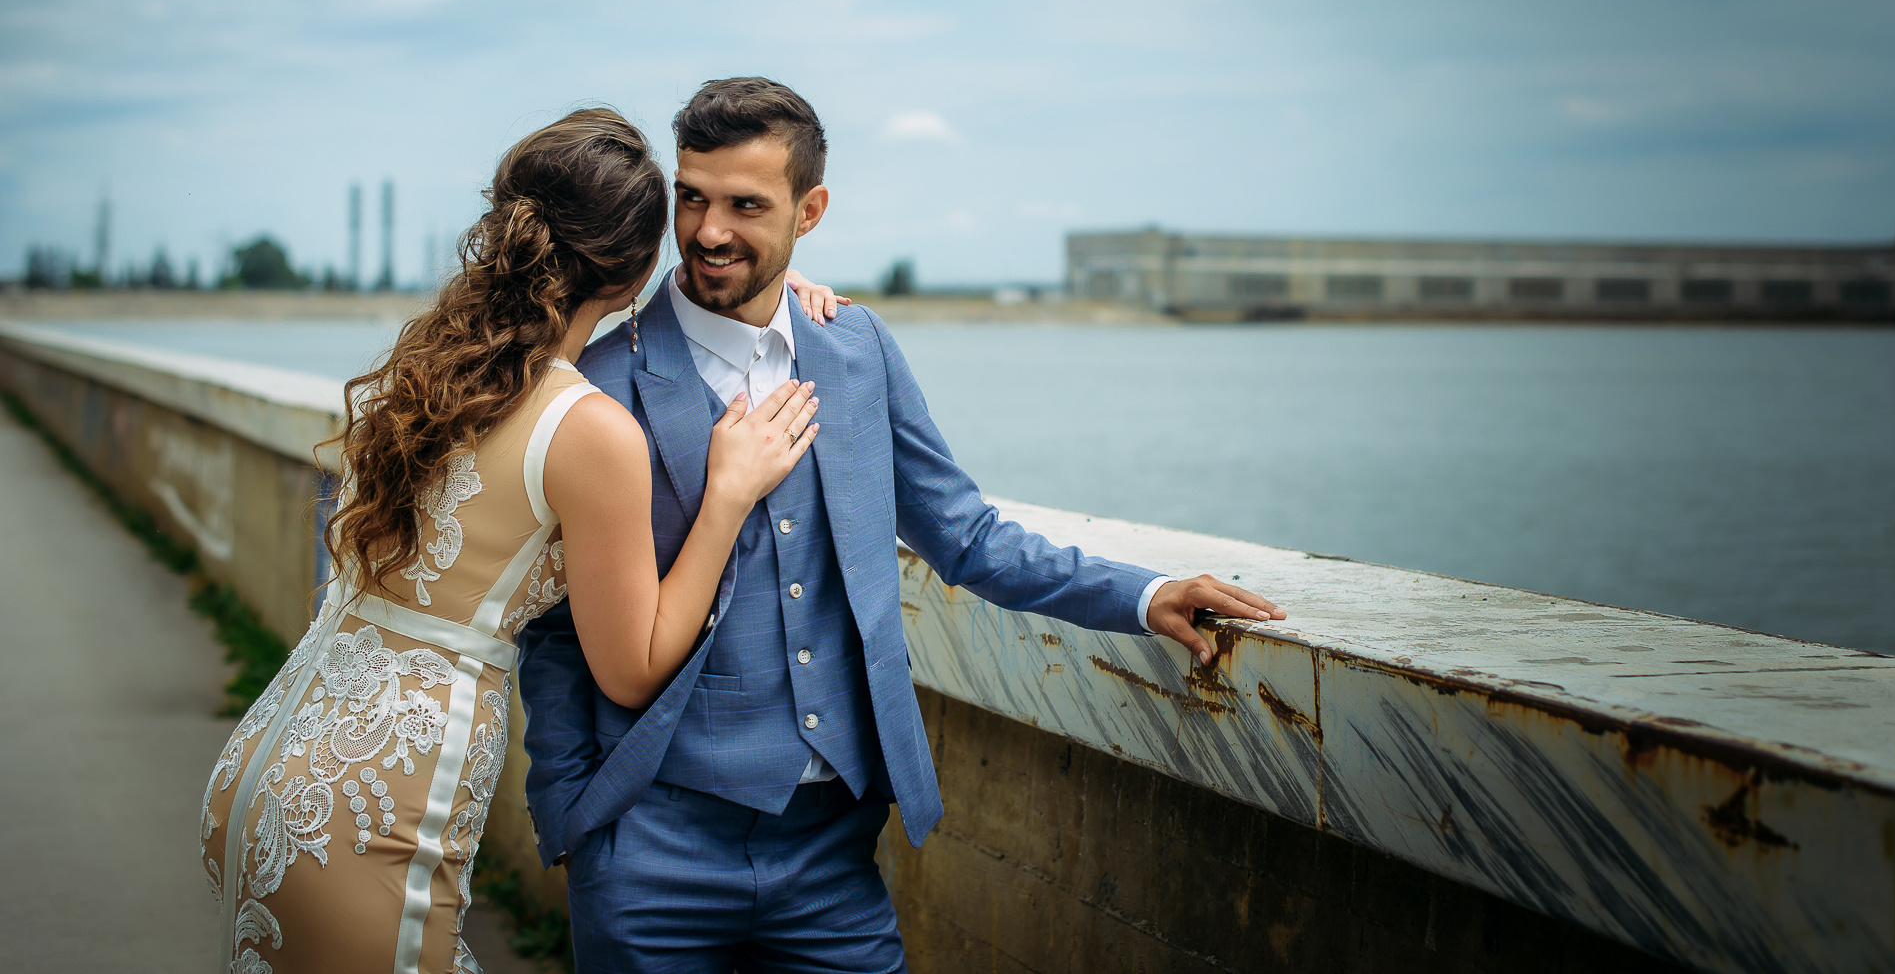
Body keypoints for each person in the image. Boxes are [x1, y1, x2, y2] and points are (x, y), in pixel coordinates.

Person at [518, 77, 1284, 973]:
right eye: (692, 197)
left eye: (745, 205)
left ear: (810, 211)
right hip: (650, 846)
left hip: (830, 850)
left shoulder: (855, 349)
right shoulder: (603, 380)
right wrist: (570, 816)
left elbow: (965, 534)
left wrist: (1144, 592)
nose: (709, 230)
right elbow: (556, 625)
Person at [200, 107, 841, 973]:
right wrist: (725, 495)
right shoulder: (591, 429)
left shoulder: (429, 370)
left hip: (276, 760)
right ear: (640, 267)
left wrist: (791, 299)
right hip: (376, 799)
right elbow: (634, 663)